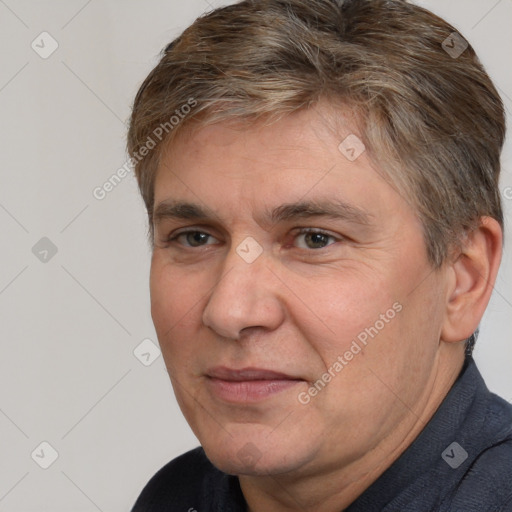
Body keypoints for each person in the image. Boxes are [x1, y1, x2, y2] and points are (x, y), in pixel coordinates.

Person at [128, 0, 512, 510]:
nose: (229, 311)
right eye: (195, 237)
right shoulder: (174, 498)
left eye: (314, 239)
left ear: (463, 279)